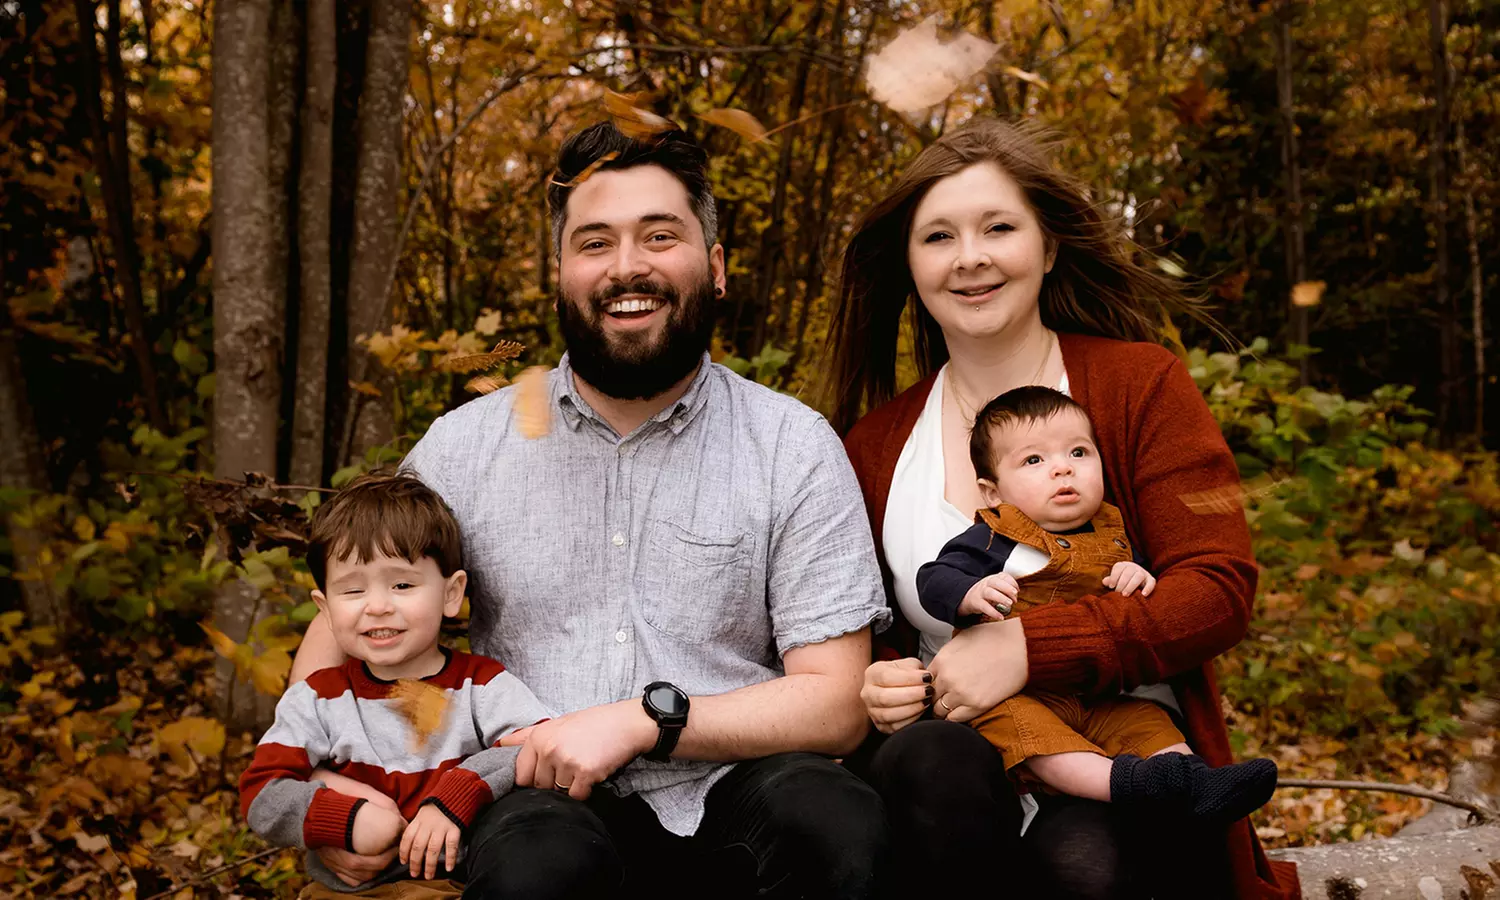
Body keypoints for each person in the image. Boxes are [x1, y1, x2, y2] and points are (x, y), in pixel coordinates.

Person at [288, 121, 890, 900]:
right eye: (595, 243)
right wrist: (325, 783)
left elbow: (837, 700)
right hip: (530, 790)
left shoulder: (792, 446)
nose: (627, 266)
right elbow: (349, 611)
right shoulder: (464, 448)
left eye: (659, 236)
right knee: (538, 871)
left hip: (736, 782)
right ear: (561, 273)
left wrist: (645, 721)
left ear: (715, 268)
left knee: (834, 820)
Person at [828, 117, 1300, 899]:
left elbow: (1216, 589)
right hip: (958, 778)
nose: (970, 256)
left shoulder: (1139, 385)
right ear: (910, 265)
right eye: (939, 236)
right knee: (930, 758)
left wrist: (1027, 646)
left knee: (1085, 863)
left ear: (1047, 248)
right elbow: (870, 636)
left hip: (1118, 749)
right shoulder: (874, 444)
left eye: (998, 228)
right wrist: (881, 682)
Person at [916, 385, 1279, 823]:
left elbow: (1150, 602)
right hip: (1015, 694)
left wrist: (1138, 575)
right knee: (1032, 737)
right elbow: (933, 578)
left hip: (1100, 693)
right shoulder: (994, 538)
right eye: (1034, 460)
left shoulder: (1114, 532)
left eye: (1078, 452)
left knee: (1147, 722)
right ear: (992, 492)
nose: (1062, 468)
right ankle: (1123, 786)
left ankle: (1196, 784)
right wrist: (968, 593)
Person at [239, 472, 552, 892]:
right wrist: (347, 818)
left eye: (402, 584)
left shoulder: (481, 686)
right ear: (325, 609)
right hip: (347, 891)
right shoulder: (317, 699)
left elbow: (534, 745)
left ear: (451, 594)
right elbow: (262, 790)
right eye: (353, 591)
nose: (378, 606)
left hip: (454, 885)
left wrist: (455, 795)